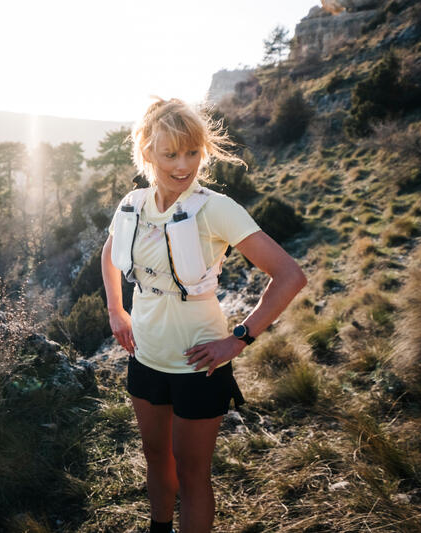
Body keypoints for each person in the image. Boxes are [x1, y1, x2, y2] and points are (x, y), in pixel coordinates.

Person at [101, 98, 306, 533]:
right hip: (146, 358)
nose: (183, 165)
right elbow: (110, 253)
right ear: (147, 152)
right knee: (156, 457)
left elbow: (289, 275)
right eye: (170, 153)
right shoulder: (133, 205)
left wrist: (238, 339)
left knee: (193, 474)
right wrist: (116, 309)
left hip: (200, 365)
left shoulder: (216, 208)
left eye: (192, 152)